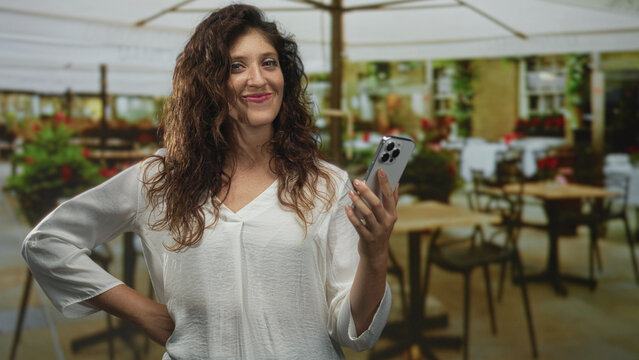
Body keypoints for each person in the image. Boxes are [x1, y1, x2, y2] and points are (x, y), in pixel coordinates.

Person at [21, 4, 398, 359]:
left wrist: (375, 253)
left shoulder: (327, 185)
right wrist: (143, 312)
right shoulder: (160, 179)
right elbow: (48, 243)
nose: (258, 78)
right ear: (207, 83)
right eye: (236, 66)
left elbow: (354, 331)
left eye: (269, 63)